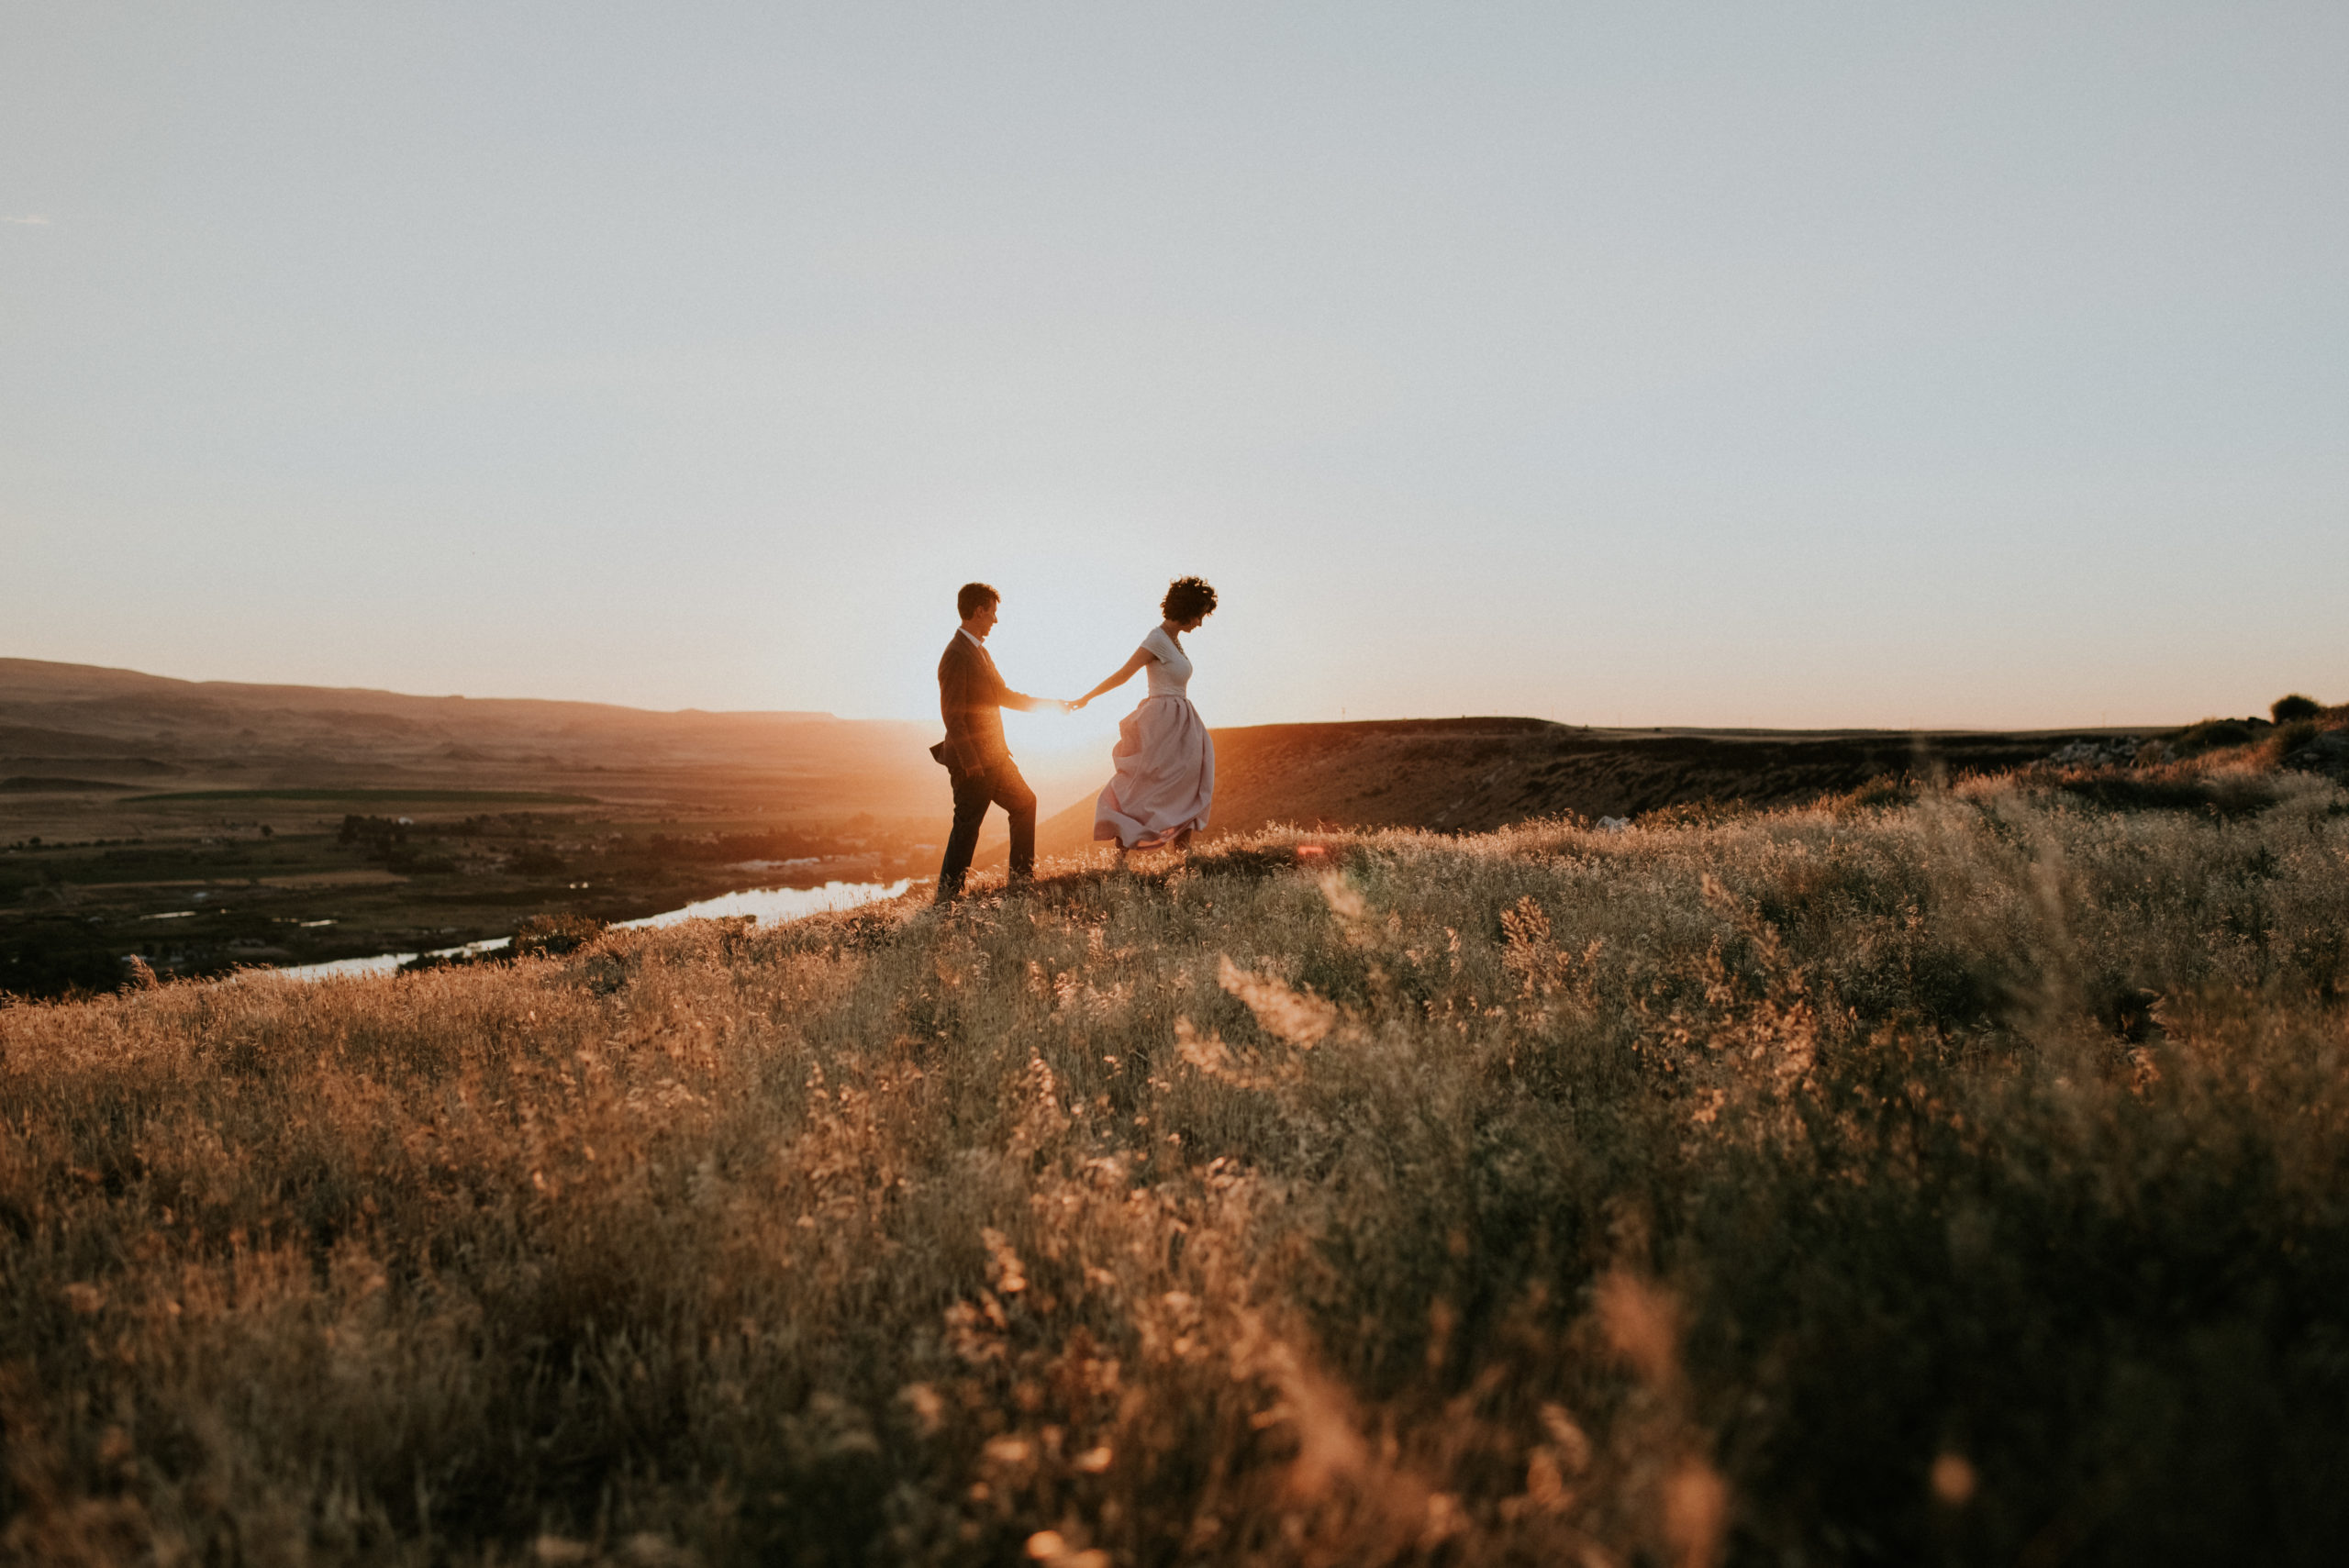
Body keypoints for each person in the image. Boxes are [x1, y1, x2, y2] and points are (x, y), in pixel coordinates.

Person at [932, 582, 1066, 899]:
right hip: (974, 762)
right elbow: (953, 714)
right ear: (979, 611)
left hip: (996, 756)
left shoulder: (980, 652)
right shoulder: (955, 654)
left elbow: (1003, 695)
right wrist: (970, 761)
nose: (995, 620)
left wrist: (1051, 706)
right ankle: (946, 899)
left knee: (1024, 803)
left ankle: (1021, 884)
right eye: (992, 613)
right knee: (967, 828)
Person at [1075, 576, 1217, 859]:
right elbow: (1124, 674)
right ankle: (1121, 853)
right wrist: (1087, 697)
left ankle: (1183, 850)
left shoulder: (1175, 641)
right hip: (1161, 721)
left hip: (1183, 720)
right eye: (1199, 615)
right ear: (1187, 609)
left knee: (1190, 780)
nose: (1200, 623)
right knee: (1145, 782)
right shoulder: (1157, 639)